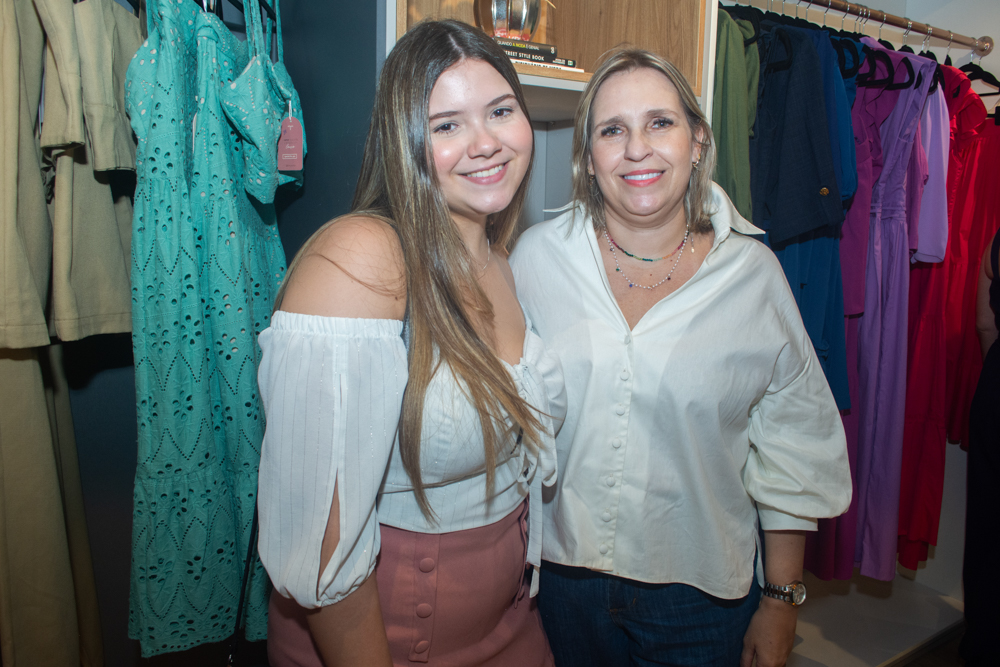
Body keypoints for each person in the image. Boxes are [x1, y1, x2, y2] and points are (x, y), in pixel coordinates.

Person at [510, 48, 852, 667]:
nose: (637, 149)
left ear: (697, 141)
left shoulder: (753, 276)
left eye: (659, 123)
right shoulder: (536, 260)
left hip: (700, 600)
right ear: (588, 156)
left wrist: (781, 600)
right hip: (561, 586)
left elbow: (793, 445)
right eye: (612, 130)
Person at [255, 20, 564, 667]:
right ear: (406, 142)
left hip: (513, 624)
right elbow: (323, 545)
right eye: (447, 124)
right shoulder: (362, 257)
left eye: (500, 111)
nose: (486, 142)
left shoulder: (498, 258)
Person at [961, 229, 1000, 666]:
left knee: (988, 527)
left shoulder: (996, 241)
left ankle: (982, 644)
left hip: (995, 389)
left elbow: (985, 323)